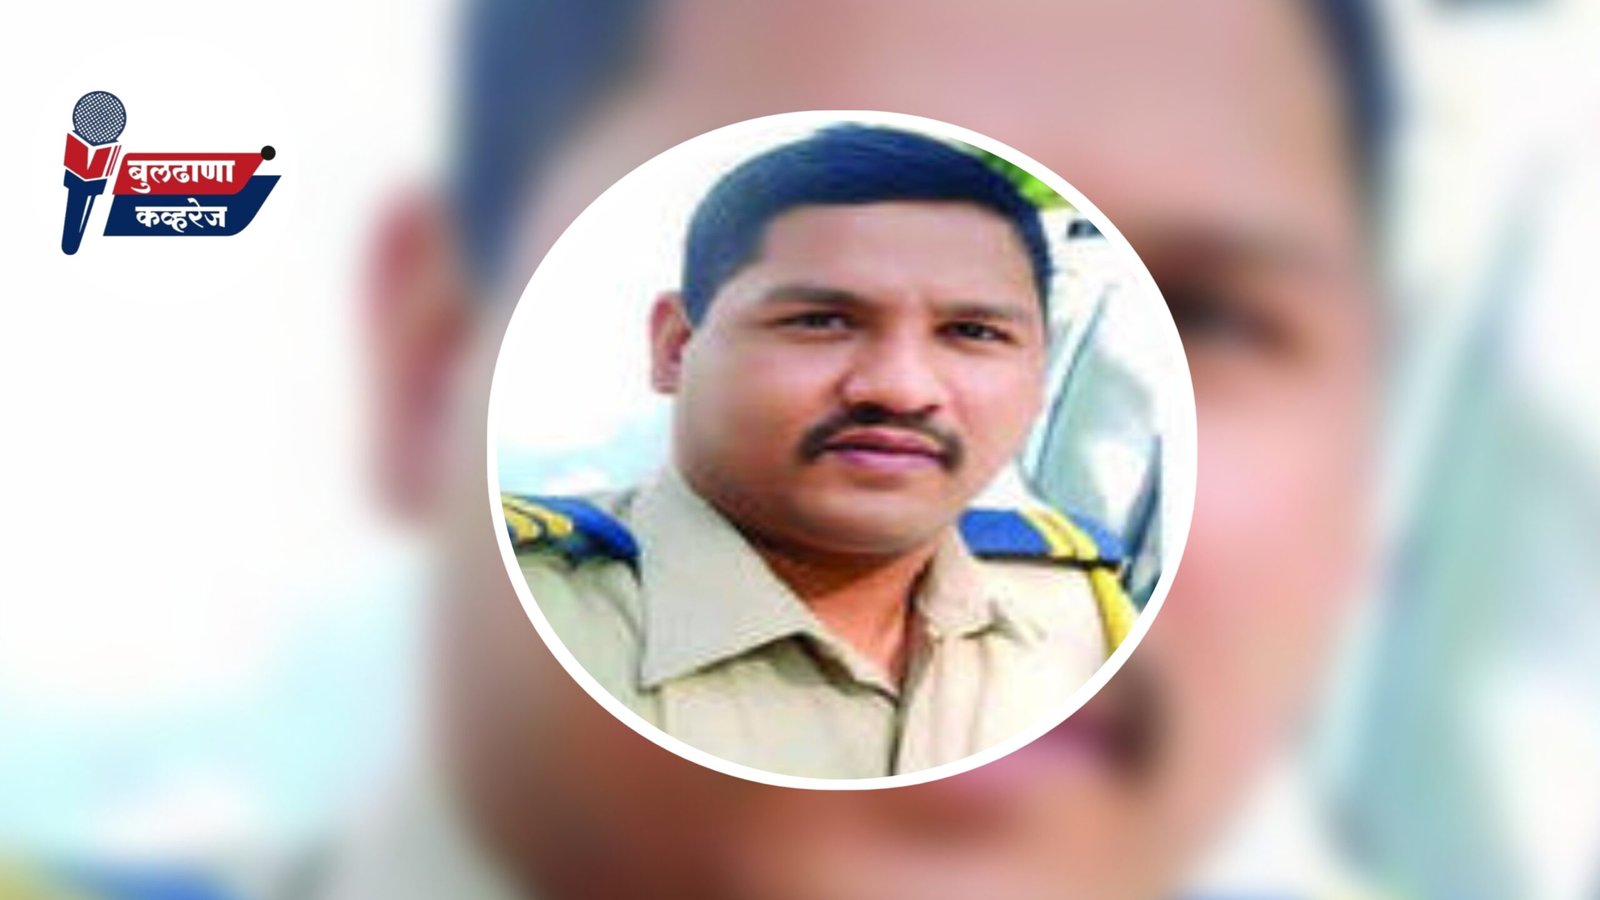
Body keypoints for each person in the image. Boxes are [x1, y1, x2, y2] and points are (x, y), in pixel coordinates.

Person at [502, 123, 1138, 780]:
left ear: (1038, 372)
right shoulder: (511, 627)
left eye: (972, 331)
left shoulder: (1082, 619)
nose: (901, 389)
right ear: (676, 348)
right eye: (822, 321)